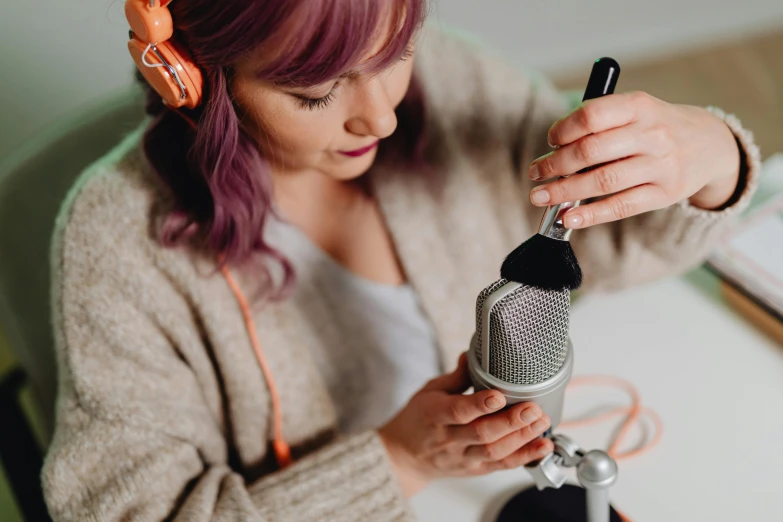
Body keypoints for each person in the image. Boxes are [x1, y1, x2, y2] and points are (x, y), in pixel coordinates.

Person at [42, 0, 759, 520]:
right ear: (191, 78)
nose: (380, 117)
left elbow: (617, 246)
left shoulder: (447, 77)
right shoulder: (114, 241)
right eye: (315, 93)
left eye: (396, 51)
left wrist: (708, 162)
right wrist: (402, 459)